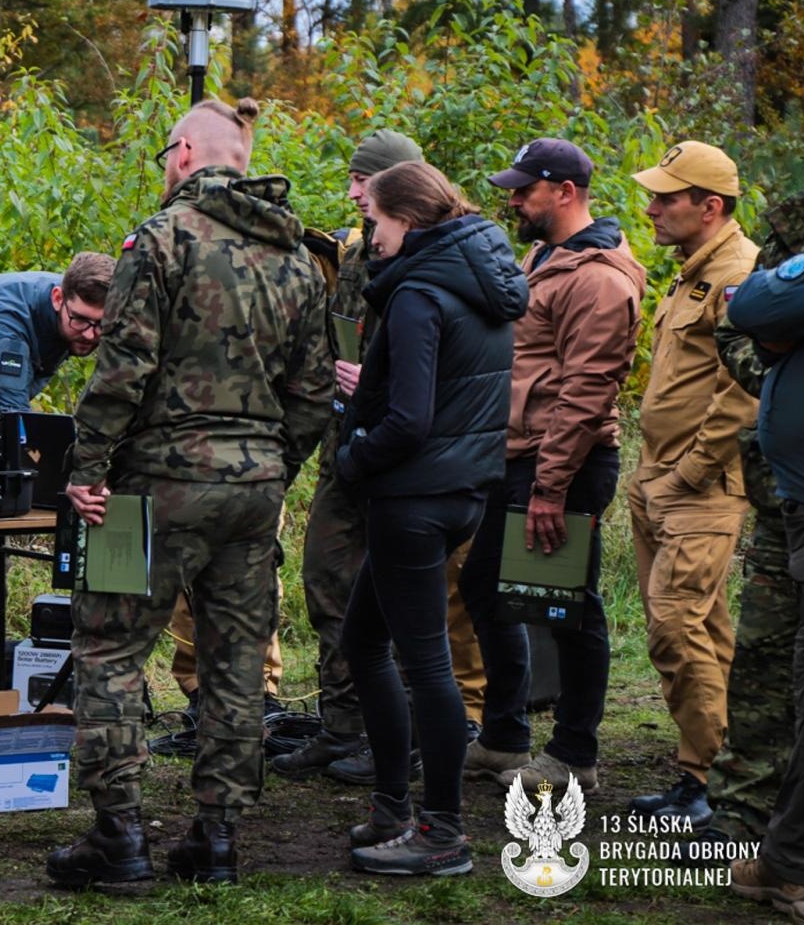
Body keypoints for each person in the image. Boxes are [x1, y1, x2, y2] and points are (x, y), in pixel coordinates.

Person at [45, 97, 332, 887]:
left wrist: (87, 468)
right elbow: (313, 396)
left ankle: (121, 836)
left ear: (182, 154)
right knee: (237, 662)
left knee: (108, 647)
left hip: (152, 488)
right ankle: (216, 839)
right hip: (252, 490)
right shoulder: (301, 258)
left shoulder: (162, 238)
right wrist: (270, 465)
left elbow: (122, 365)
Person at [272, 129, 487, 784]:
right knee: (328, 582)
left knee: (402, 611)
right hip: (353, 451)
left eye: (363, 182)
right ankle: (344, 727)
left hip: (404, 458)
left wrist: (372, 388)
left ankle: (388, 738)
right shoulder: (359, 252)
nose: (353, 193)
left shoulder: (433, 262)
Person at [335, 160, 528, 876]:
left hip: (412, 497)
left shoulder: (419, 293)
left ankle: (441, 830)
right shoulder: (482, 277)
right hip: (462, 490)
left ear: (408, 219)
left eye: (376, 221)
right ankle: (392, 807)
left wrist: (355, 455)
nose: (370, 233)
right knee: (365, 641)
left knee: (425, 664)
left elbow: (410, 418)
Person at [459, 139, 644, 794]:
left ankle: (574, 751)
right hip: (517, 454)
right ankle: (505, 737)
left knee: (568, 606)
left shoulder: (601, 278)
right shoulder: (548, 255)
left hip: (562, 462)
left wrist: (549, 485)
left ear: (564, 192)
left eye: (524, 189)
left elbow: (587, 393)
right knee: (486, 583)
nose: (512, 199)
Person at [698, 147, 804, 853]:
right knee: (763, 650)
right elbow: (736, 323)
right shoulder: (792, 229)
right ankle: (741, 809)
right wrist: (782, 360)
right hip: (782, 487)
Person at [625, 141, 759, 828]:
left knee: (674, 626)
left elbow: (743, 392)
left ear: (710, 207)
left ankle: (712, 782)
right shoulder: (690, 273)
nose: (651, 208)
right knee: (701, 626)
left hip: (697, 485)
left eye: (665, 198)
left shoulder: (739, 273)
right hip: (660, 478)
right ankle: (709, 773)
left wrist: (687, 471)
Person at [0, 251, 115, 695]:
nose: (91, 335)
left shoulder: (68, 312)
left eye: (102, 325)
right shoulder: (9, 320)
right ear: (59, 296)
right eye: (81, 321)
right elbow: (5, 421)